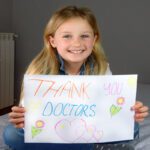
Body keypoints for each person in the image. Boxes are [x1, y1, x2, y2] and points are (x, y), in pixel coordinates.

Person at [3, 5, 149, 150]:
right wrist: (22, 118)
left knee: (133, 128)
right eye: (67, 36)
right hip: (55, 128)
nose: (77, 43)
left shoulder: (101, 67)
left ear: (94, 39)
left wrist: (128, 112)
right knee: (12, 134)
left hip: (88, 127)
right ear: (52, 41)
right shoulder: (39, 70)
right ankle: (87, 147)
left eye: (84, 36)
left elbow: (108, 107)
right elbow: (29, 114)